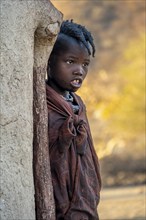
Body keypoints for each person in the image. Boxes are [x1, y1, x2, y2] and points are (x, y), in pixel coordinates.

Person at [46, 20, 101, 220]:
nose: (79, 70)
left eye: (85, 64)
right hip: (58, 200)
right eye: (70, 62)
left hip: (84, 198)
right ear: (49, 62)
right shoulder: (43, 101)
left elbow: (89, 156)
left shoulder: (78, 104)